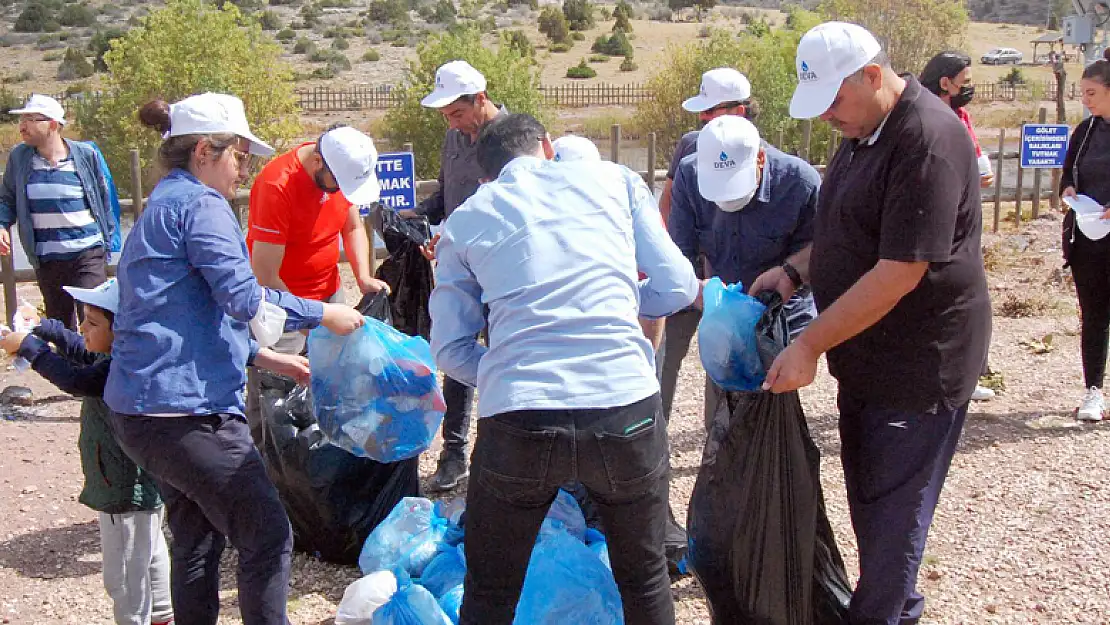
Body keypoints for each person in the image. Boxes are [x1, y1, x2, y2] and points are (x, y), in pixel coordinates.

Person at [750, 22, 990, 625]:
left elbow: (899, 271)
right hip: (867, 361)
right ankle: (897, 605)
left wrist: (808, 344)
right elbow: (849, 232)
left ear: (873, 76)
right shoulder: (865, 129)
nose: (828, 116)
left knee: (892, 521)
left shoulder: (926, 141)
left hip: (919, 364)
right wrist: (796, 272)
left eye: (834, 101)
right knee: (874, 504)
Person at [103, 93, 365, 625]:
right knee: (267, 535)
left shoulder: (164, 201)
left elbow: (190, 312)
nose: (244, 168)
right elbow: (245, 298)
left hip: (144, 410)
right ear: (205, 150)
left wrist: (269, 359)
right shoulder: (200, 205)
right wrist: (324, 313)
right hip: (186, 413)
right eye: (239, 156)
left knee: (198, 540)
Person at [430, 113, 697, 625]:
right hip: (624, 404)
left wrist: (505, 371)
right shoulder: (615, 182)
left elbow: (449, 346)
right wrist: (624, 305)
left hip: (521, 417)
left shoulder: (466, 219)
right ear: (548, 147)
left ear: (487, 177)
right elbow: (679, 286)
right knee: (643, 580)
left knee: (490, 593)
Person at [1, 279, 172, 625]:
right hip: (144, 486)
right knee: (150, 551)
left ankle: (134, 619)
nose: (83, 327)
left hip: (123, 488)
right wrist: (46, 328)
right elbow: (84, 350)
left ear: (122, 331)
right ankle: (161, 615)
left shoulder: (116, 371)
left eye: (92, 322)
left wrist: (33, 349)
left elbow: (74, 379)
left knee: (123, 575)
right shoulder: (126, 357)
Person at [398, 59, 508, 492]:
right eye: (446, 116)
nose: (452, 123)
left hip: (504, 271)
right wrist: (417, 221)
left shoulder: (515, 137)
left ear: (480, 99)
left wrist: (450, 235)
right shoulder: (453, 137)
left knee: (506, 358)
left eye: (457, 114)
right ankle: (454, 453)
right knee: (458, 358)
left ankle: (507, 450)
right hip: (462, 269)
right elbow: (445, 195)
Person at [670, 114, 820, 429]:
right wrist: (702, 292)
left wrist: (777, 335)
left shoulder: (801, 184)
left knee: (774, 428)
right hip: (724, 322)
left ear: (761, 160)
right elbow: (679, 255)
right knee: (722, 425)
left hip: (784, 322)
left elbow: (822, 256)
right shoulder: (688, 175)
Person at [658, 67, 757, 429]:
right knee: (665, 358)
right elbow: (667, 201)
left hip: (733, 285)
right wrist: (669, 260)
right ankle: (654, 434)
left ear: (739, 112)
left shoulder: (755, 151)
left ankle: (721, 444)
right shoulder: (691, 144)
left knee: (726, 365)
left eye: (710, 111)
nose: (702, 118)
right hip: (690, 274)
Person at [247, 124, 390, 354]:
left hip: (329, 294)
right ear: (317, 162)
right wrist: (310, 319)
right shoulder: (276, 186)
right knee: (284, 383)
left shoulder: (339, 172)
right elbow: (264, 274)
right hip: (282, 306)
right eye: (339, 185)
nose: (342, 190)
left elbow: (352, 227)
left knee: (336, 376)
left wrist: (363, 277)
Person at [920, 51, 999, 403]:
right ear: (945, 82)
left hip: (964, 224)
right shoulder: (923, 119)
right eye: (965, 82)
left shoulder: (961, 117)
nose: (968, 88)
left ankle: (968, 371)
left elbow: (982, 169)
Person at [0, 94, 117, 330]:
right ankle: (68, 367)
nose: (22, 126)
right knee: (60, 327)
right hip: (47, 258)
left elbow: (105, 198)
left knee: (94, 320)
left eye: (31, 119)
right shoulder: (19, 158)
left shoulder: (85, 155)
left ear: (53, 124)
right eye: (21, 120)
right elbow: (7, 198)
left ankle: (98, 367)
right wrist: (2, 224)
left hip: (87, 253)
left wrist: (108, 242)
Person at [1061, 49, 1110, 422]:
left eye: (1091, 92)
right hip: (1088, 238)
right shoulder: (1085, 131)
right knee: (1094, 315)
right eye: (1083, 92)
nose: (1085, 99)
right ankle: (1093, 390)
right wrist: (1068, 192)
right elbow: (1067, 175)